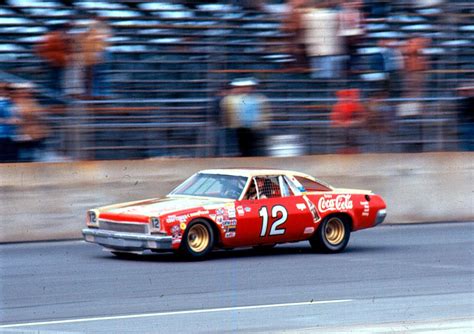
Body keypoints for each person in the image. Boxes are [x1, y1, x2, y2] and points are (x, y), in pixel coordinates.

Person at [221, 78, 271, 156]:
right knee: (243, 146)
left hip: (253, 127)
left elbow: (264, 112)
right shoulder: (232, 98)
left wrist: (263, 123)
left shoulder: (258, 98)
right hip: (240, 127)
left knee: (252, 146)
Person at [302, 0, 344, 80]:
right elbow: (338, 33)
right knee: (328, 78)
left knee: (318, 77)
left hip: (315, 50)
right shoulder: (332, 15)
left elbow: (307, 34)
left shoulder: (308, 16)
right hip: (329, 50)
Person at [10, 83, 50, 162]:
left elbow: (38, 115)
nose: (26, 92)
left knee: (33, 157)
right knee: (25, 157)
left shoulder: (31, 102)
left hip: (35, 135)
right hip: (22, 136)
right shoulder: (14, 102)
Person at [82, 16, 112, 98]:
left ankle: (98, 93)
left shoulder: (97, 30)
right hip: (98, 52)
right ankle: (100, 93)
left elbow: (100, 41)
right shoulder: (101, 29)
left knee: (97, 74)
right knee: (99, 75)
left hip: (98, 52)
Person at [36, 24, 70, 95]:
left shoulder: (48, 37)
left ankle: (55, 96)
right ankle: (57, 96)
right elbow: (65, 48)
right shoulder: (58, 37)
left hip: (53, 61)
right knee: (57, 80)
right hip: (59, 61)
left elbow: (40, 49)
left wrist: (45, 57)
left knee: (54, 80)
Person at [330, 88, 366, 153]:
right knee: (345, 136)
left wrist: (353, 122)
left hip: (353, 129)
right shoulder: (338, 106)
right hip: (342, 130)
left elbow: (362, 118)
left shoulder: (357, 105)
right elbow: (334, 119)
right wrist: (342, 123)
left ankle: (352, 149)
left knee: (351, 136)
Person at [0, 83, 19, 162]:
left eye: (7, 89)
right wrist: (9, 121)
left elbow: (17, 118)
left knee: (11, 160)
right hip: (1, 136)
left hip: (11, 137)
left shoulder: (11, 103)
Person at [457, 85, 474, 151]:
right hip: (466, 123)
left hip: (468, 123)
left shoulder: (466, 101)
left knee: (466, 142)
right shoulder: (463, 101)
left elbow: (463, 113)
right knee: (466, 142)